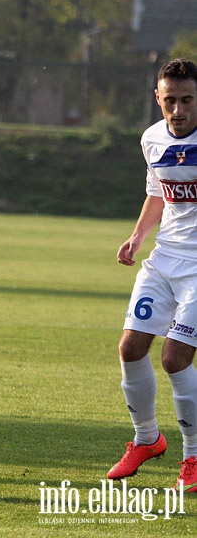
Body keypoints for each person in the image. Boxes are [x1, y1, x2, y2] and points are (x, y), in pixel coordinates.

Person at [109, 58, 197, 492]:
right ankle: (147, 439)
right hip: (164, 260)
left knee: (174, 357)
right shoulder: (151, 139)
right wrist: (137, 236)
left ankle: (194, 456)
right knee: (130, 346)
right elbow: (157, 193)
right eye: (170, 101)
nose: (178, 110)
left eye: (187, 100)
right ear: (157, 99)